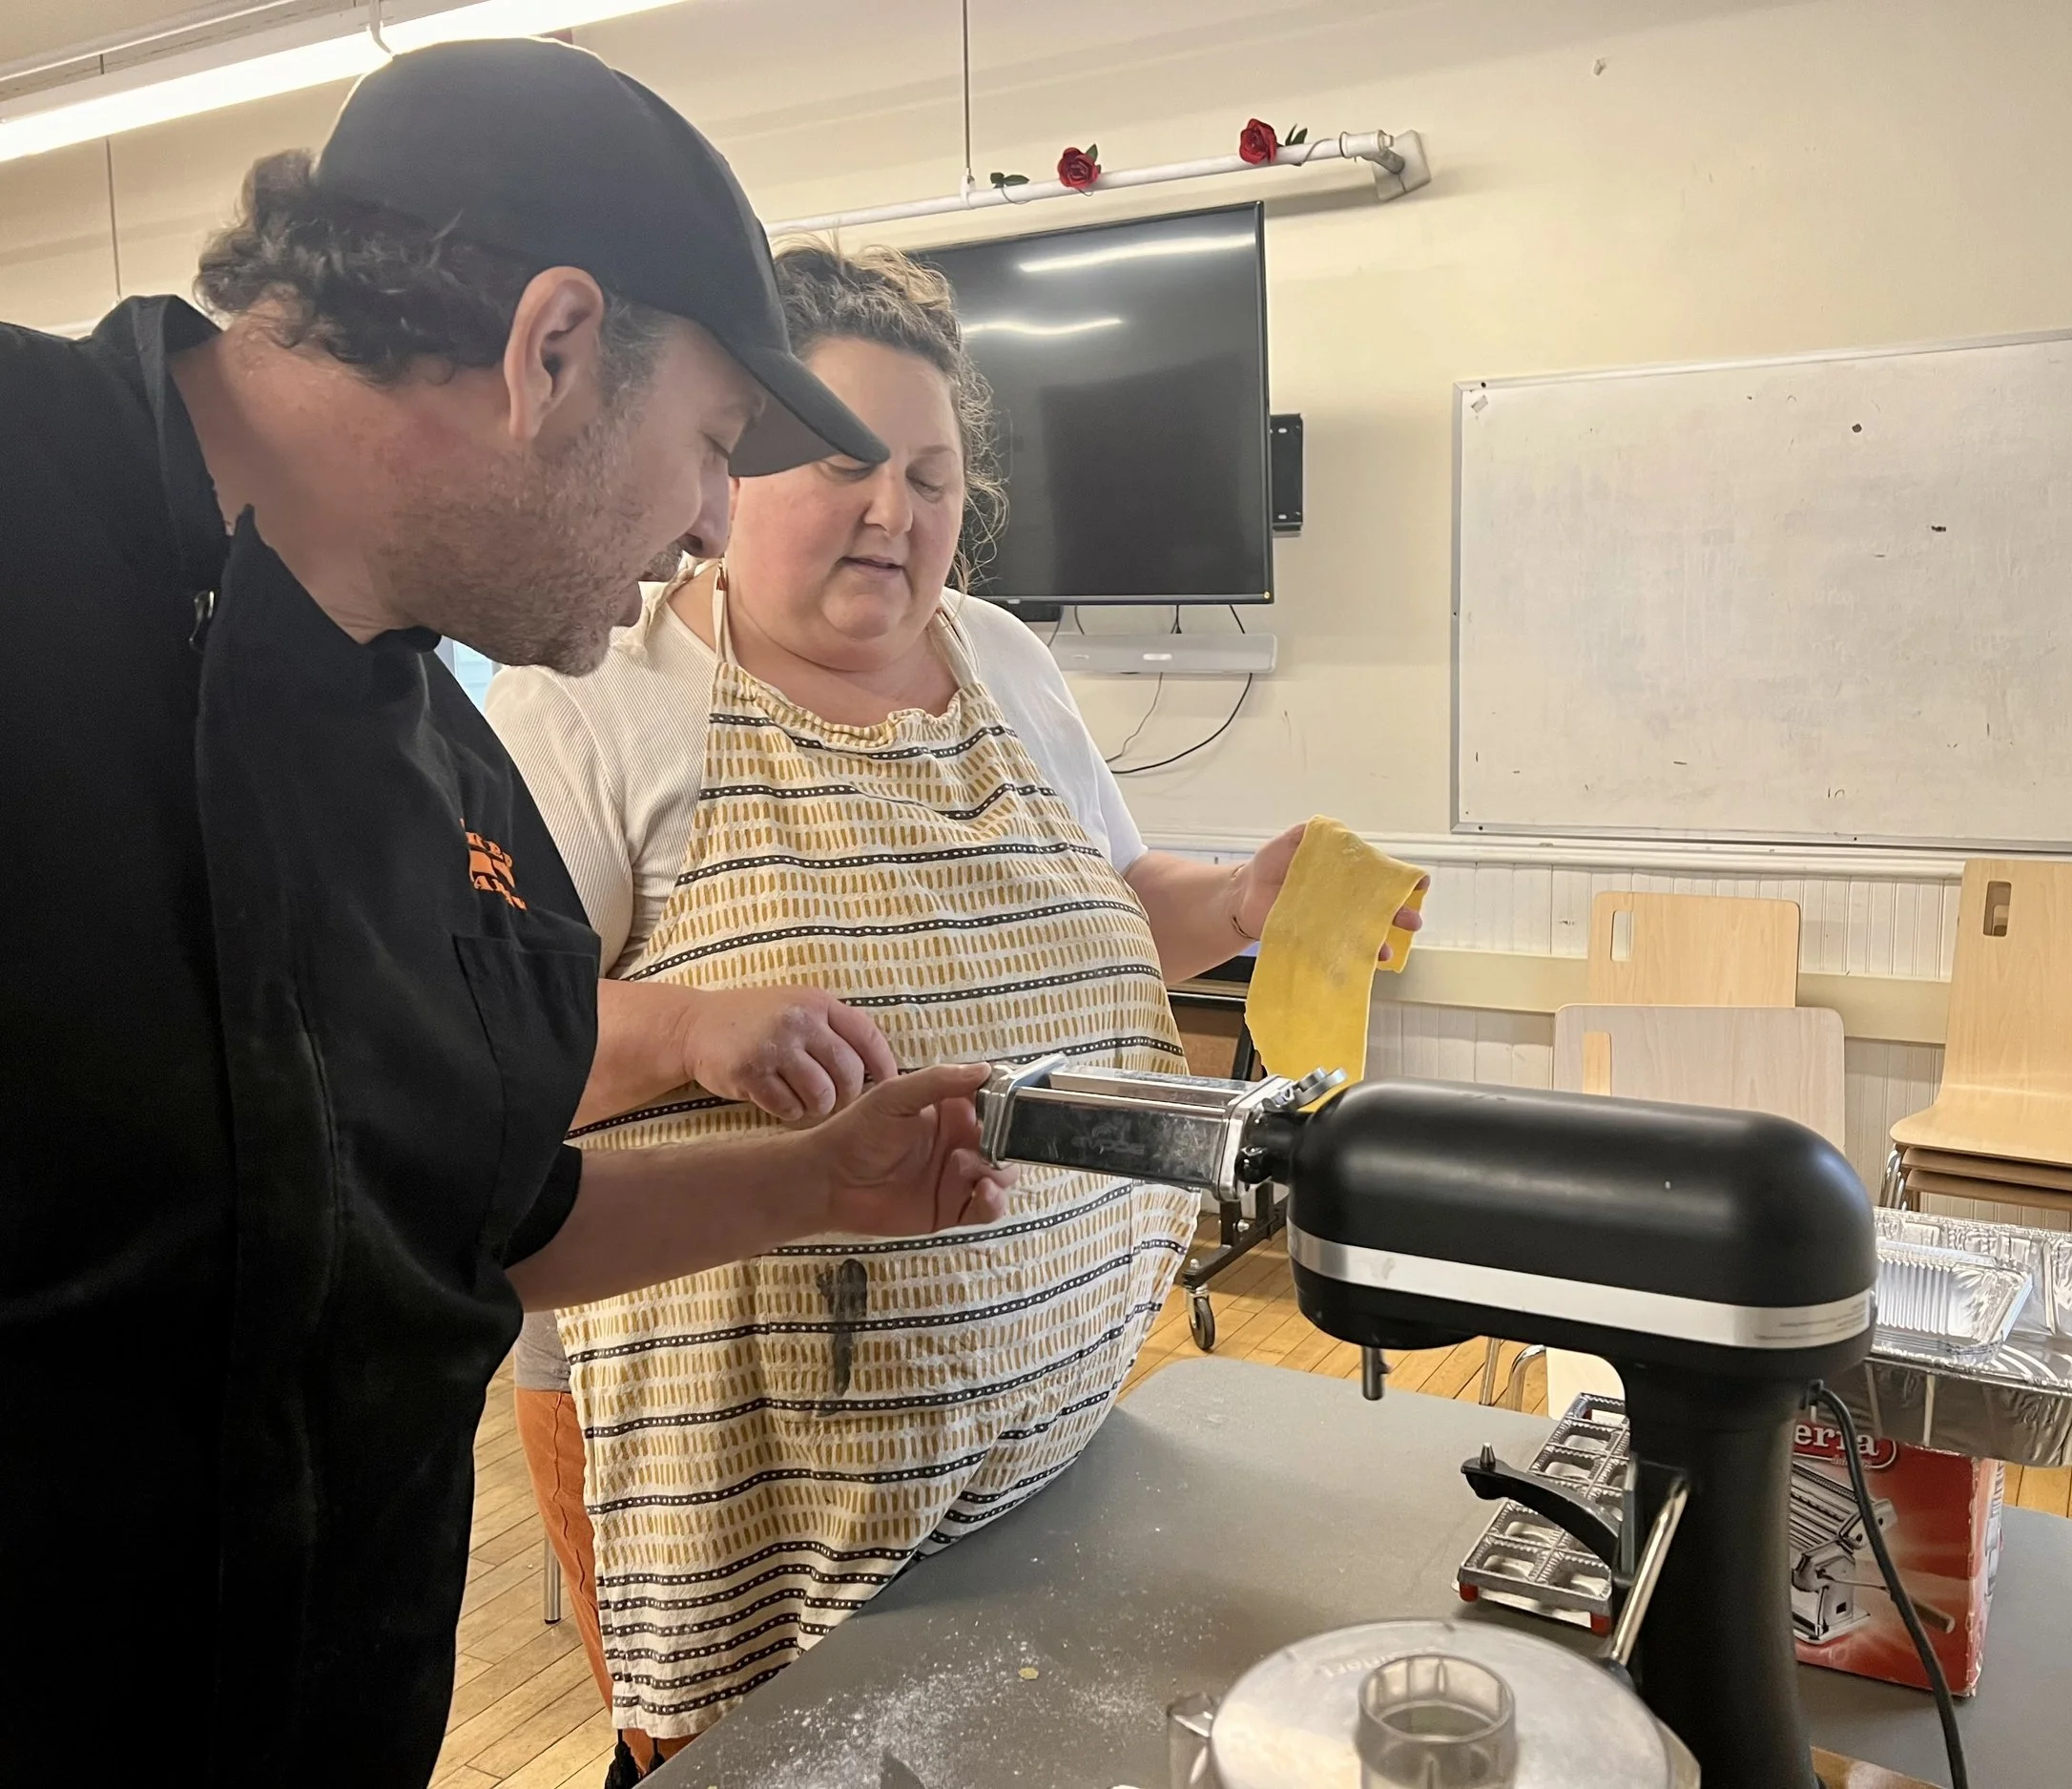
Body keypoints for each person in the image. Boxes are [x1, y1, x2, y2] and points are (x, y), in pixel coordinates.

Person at [0, 44, 1017, 1789]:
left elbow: (471, 1213)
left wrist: (812, 1182)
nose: (709, 526)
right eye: (714, 447)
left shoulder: (443, 770)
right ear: (551, 351)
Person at [487, 241, 1422, 1769]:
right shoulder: (599, 699)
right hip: (750, 1484)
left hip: (1047, 1438)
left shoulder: (1001, 658)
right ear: (728, 470)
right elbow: (482, 1042)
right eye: (843, 463)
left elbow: (1105, 902)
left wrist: (1241, 902)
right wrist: (690, 1028)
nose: (895, 511)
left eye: (931, 477)